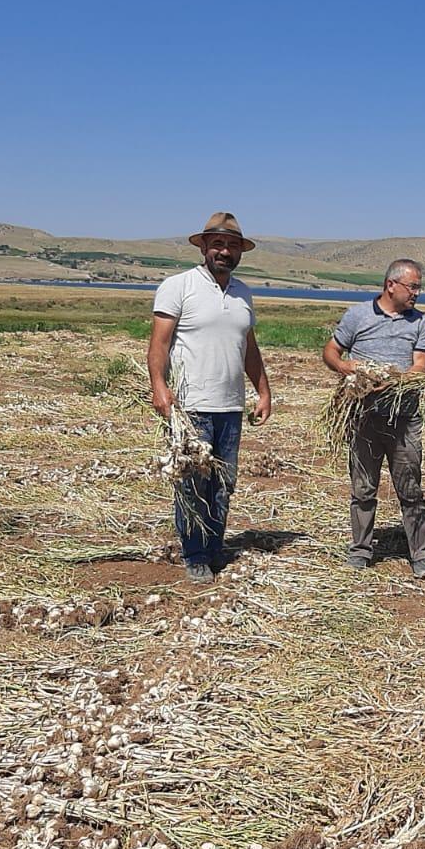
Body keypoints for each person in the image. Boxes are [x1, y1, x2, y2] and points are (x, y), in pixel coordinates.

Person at [147, 211, 273, 584]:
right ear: (203, 247)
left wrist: (263, 390)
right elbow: (160, 343)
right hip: (190, 407)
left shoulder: (243, 294)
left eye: (232, 246)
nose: (224, 251)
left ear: (240, 253)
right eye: (217, 244)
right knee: (192, 482)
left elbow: (248, 347)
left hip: (230, 408)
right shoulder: (178, 286)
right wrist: (159, 386)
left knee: (223, 483)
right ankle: (195, 554)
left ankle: (215, 546)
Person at [323, 259, 425, 577]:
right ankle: (360, 551)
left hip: (403, 419)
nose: (417, 293)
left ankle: (421, 554)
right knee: (363, 489)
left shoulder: (421, 322)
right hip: (364, 418)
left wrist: (394, 380)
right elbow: (331, 351)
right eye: (412, 286)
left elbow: (421, 366)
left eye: (418, 287)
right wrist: (347, 369)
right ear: (391, 285)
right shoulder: (357, 315)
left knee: (410, 488)